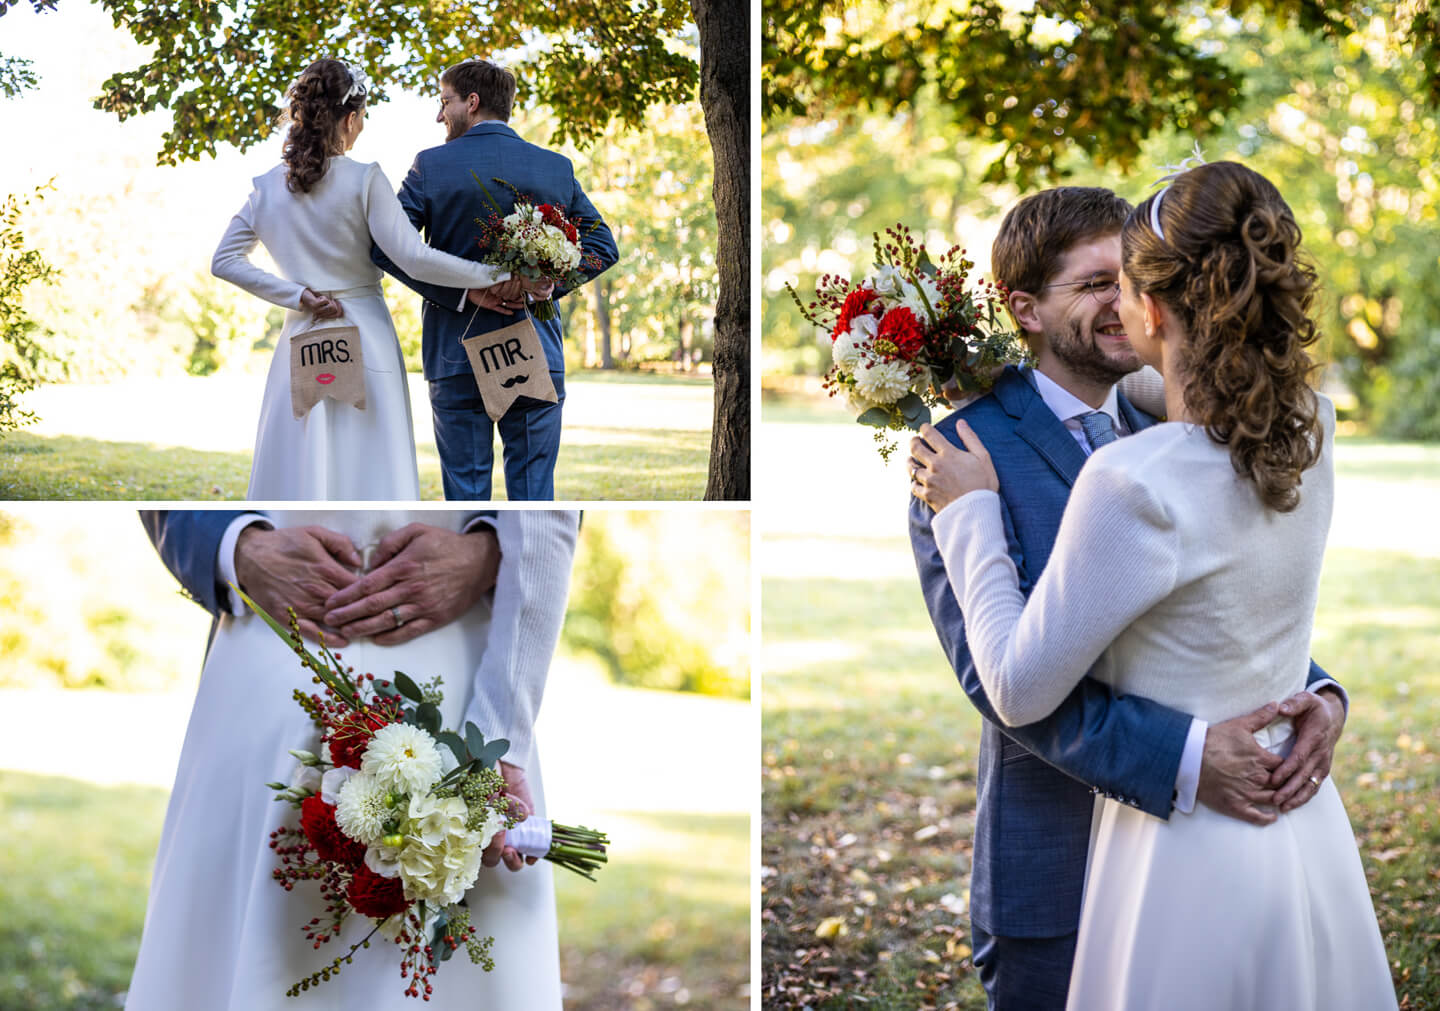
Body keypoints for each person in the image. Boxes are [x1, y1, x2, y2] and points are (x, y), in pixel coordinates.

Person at [911, 162, 1395, 1008]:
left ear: (1157, 311)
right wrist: (1200, 750)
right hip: (1064, 862)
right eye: (1091, 282)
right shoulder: (960, 458)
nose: (1113, 303)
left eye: (1123, 282)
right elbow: (1000, 692)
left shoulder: (1145, 450)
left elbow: (1223, 600)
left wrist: (1321, 691)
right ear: (1023, 308)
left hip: (1177, 860)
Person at [127, 509, 580, 1009]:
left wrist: (491, 552)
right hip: (265, 667)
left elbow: (547, 501)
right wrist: (236, 548)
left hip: (466, 690)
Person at [211, 58, 539, 500]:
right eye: (362, 117)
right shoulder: (365, 178)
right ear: (349, 118)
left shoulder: (266, 188)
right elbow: (413, 257)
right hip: (363, 330)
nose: (362, 126)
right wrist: (495, 274)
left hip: (301, 335)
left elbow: (225, 260)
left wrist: (298, 296)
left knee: (299, 460)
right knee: (370, 466)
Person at [371, 58, 619, 501]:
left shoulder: (430, 166)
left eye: (444, 101)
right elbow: (603, 247)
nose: (439, 114)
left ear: (472, 101)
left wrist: (465, 292)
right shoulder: (554, 167)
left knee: (465, 497)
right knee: (533, 496)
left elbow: (385, 248)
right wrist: (545, 285)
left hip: (456, 354)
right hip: (535, 348)